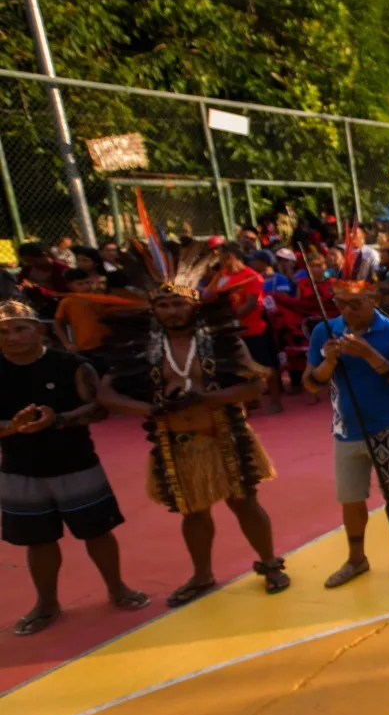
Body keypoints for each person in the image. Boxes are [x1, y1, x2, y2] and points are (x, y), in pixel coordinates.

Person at [99, 241, 290, 605]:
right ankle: (202, 575)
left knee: (244, 502)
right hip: (175, 440)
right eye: (164, 305)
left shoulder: (221, 340)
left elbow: (253, 384)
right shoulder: (141, 349)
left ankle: (270, 564)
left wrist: (206, 398)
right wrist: (149, 408)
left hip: (225, 433)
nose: (172, 311)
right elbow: (106, 395)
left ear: (194, 304)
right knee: (193, 511)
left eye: (179, 303)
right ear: (153, 309)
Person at [1, 300, 147, 634]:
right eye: (4, 331)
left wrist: (60, 419)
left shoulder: (71, 365)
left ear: (39, 330)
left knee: (97, 531)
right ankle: (47, 603)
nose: (11, 337)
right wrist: (14, 426)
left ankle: (117, 588)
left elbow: (99, 408)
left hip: (76, 462)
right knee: (37, 540)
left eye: (20, 328)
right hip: (19, 469)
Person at [304, 248, 389, 588]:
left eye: (355, 304)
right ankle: (357, 559)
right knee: (351, 498)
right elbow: (311, 383)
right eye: (340, 303)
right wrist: (328, 364)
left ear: (374, 298)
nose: (346, 311)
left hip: (386, 425)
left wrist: (369, 355)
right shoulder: (324, 331)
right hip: (345, 430)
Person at [206, 241, 282, 414]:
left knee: (265, 366)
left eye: (220, 255)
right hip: (230, 331)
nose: (217, 259)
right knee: (239, 368)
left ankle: (276, 401)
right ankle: (251, 401)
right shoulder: (221, 276)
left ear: (229, 256)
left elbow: (251, 304)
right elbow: (210, 296)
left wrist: (227, 316)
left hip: (254, 329)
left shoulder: (252, 277)